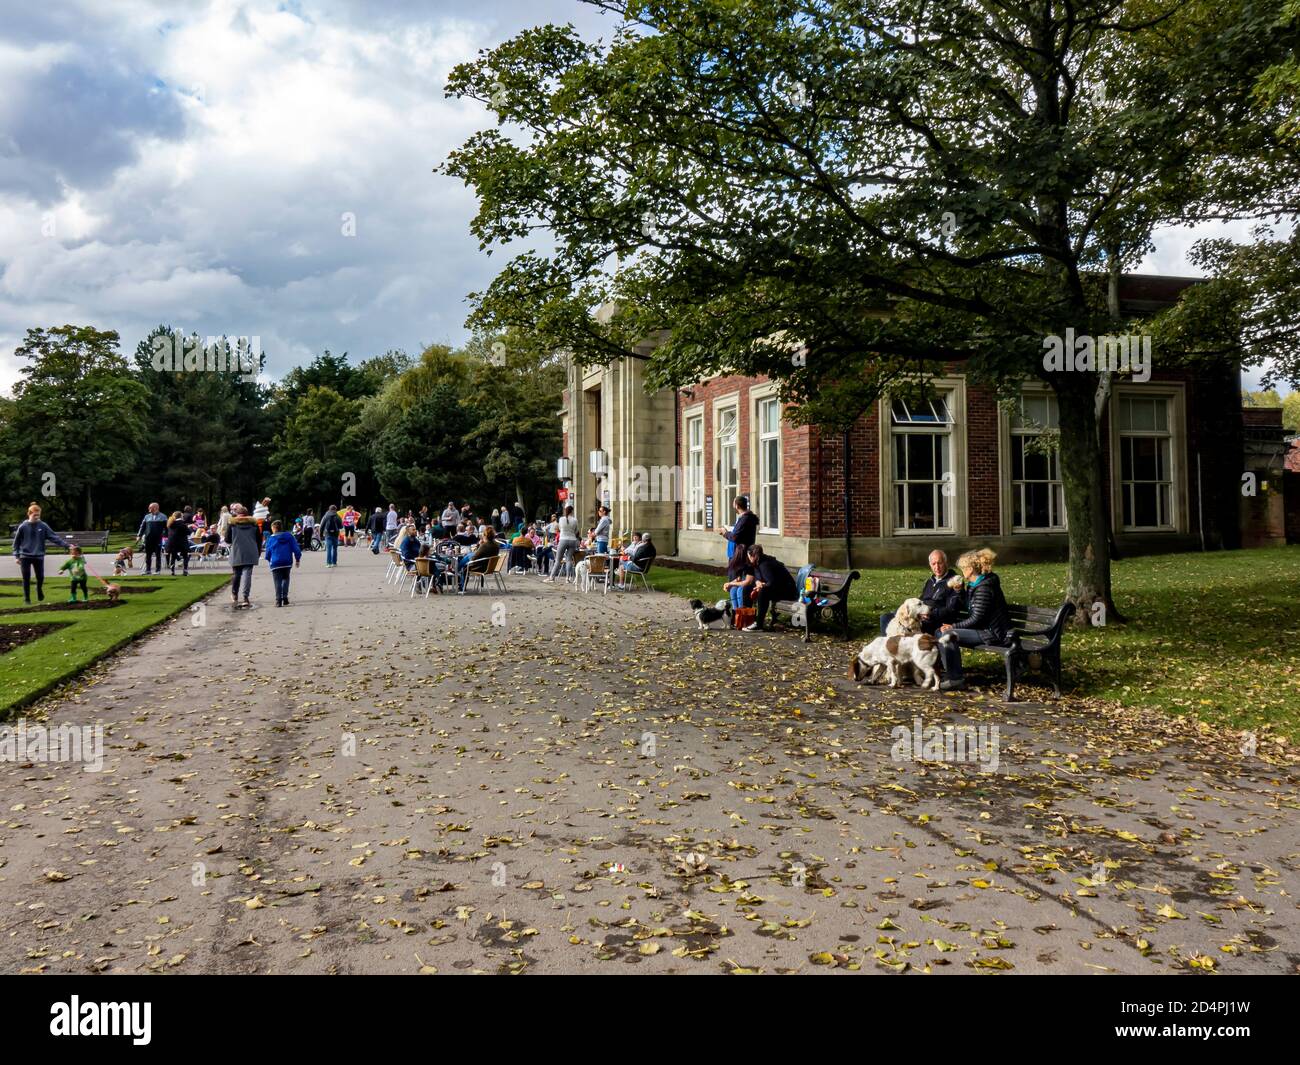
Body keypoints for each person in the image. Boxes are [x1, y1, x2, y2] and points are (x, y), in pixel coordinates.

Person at [937, 548, 1013, 692]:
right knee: (940, 632)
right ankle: (952, 674)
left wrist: (953, 626)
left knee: (947, 635)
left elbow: (977, 618)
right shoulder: (975, 585)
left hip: (992, 633)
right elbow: (969, 606)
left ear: (970, 569)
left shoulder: (984, 587)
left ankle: (956, 679)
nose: (962, 572)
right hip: (982, 628)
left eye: (963, 568)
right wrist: (959, 591)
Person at [880, 549, 965, 636]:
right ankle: (889, 646)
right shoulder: (931, 581)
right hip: (921, 615)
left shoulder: (954, 581)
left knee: (902, 627)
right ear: (930, 565)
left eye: (940, 563)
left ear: (946, 563)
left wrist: (931, 613)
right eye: (933, 564)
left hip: (934, 621)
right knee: (886, 617)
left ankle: (898, 645)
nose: (937, 567)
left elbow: (951, 609)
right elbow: (921, 600)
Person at [11, 503, 68, 604]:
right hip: (25, 556)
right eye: (35, 515)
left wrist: (66, 545)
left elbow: (54, 537)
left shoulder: (43, 525)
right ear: (29, 514)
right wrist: (16, 556)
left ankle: (39, 589)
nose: (37, 517)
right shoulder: (23, 527)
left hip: (39, 555)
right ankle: (27, 598)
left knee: (40, 577)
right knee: (26, 578)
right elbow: (16, 543)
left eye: (38, 515)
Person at [744, 544, 796, 631]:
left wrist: (761, 586)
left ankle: (759, 624)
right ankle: (748, 618)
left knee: (763, 592)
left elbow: (772, 582)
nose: (748, 558)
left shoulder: (765, 564)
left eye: (748, 555)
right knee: (747, 588)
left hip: (787, 591)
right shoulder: (758, 561)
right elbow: (757, 575)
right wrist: (757, 582)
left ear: (753, 556)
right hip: (777, 588)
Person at [226, 504, 263, 609]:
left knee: (237, 574)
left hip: (237, 551)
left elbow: (227, 540)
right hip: (251, 551)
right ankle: (245, 597)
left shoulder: (232, 525)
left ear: (237, 514)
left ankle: (234, 594)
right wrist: (258, 552)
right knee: (247, 574)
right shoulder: (254, 525)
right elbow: (259, 540)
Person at [264, 519, 302, 607]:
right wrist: (297, 559)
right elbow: (296, 549)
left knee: (277, 581)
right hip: (287, 561)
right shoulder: (289, 536)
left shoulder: (271, 539)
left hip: (275, 562)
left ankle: (278, 600)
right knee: (286, 579)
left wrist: (269, 560)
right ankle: (285, 598)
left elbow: (268, 552)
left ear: (273, 528)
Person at [457, 525, 500, 592]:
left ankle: (458, 574)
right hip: (489, 566)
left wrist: (480, 546)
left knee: (467, 561)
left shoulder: (485, 546)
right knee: (468, 556)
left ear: (485, 536)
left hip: (481, 567)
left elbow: (474, 558)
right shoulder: (496, 545)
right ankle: (458, 569)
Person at [545, 505, 581, 583]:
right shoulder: (575, 520)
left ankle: (552, 577)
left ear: (565, 511)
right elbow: (576, 531)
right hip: (572, 540)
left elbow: (560, 529)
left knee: (558, 560)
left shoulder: (561, 519)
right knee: (569, 559)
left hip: (563, 539)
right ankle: (568, 578)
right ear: (572, 511)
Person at [719, 495, 758, 561]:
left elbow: (735, 537)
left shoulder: (745, 519)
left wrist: (725, 533)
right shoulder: (744, 518)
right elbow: (738, 534)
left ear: (737, 506)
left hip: (739, 555)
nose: (733, 507)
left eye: (734, 505)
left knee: (734, 571)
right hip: (738, 553)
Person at [137, 502, 168, 575]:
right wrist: (139, 535)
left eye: (150, 507)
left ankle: (157, 570)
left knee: (158, 555)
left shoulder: (163, 516)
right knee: (148, 555)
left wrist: (166, 537)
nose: (149, 509)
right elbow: (142, 527)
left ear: (155, 508)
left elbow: (167, 528)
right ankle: (148, 570)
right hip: (148, 538)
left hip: (158, 538)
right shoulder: (147, 516)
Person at [165, 510, 191, 576]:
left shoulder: (170, 524)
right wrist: (189, 528)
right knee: (185, 556)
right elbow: (188, 532)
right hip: (182, 543)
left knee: (173, 557)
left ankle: (172, 571)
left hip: (172, 544)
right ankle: (185, 570)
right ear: (181, 516)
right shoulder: (182, 524)